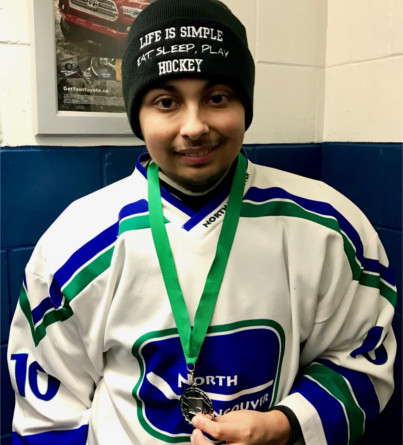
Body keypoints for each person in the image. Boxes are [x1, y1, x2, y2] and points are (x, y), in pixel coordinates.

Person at [8, 0, 397, 444]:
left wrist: (284, 425)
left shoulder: (330, 228)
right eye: (166, 101)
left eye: (216, 97)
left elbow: (361, 363)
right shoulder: (73, 244)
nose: (194, 127)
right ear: (138, 116)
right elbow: (48, 415)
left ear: (244, 105)